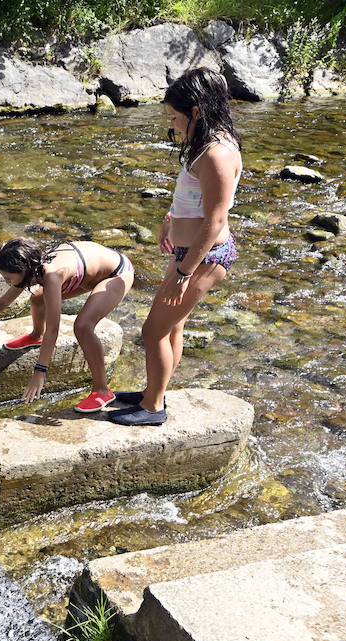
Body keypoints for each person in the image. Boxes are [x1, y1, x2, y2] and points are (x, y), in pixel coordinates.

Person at [110, 67, 243, 426]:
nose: (171, 125)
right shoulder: (207, 142)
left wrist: (184, 272)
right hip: (189, 252)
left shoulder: (216, 153)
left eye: (173, 116)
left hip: (204, 255)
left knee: (152, 331)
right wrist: (171, 218)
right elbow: (194, 199)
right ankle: (154, 390)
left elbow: (215, 222)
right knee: (172, 328)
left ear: (196, 110)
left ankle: (153, 407)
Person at [0, 237, 133, 413]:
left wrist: (40, 370)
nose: (8, 282)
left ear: (25, 269)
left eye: (9, 278)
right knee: (37, 298)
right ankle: (36, 336)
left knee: (82, 326)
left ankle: (102, 390)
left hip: (117, 274)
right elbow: (5, 300)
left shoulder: (51, 275)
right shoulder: (31, 266)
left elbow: (53, 329)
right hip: (88, 274)